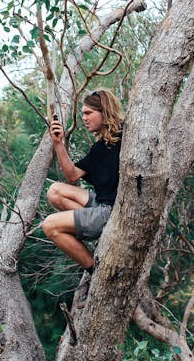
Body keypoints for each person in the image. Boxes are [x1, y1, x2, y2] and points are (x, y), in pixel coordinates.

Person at [41, 89, 124, 282]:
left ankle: (96, 272)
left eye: (88, 113)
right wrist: (58, 142)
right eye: (83, 113)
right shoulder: (100, 147)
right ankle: (91, 229)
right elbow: (72, 175)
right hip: (102, 204)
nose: (84, 118)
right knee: (55, 191)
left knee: (49, 225)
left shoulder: (128, 137)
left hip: (113, 212)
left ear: (104, 111)